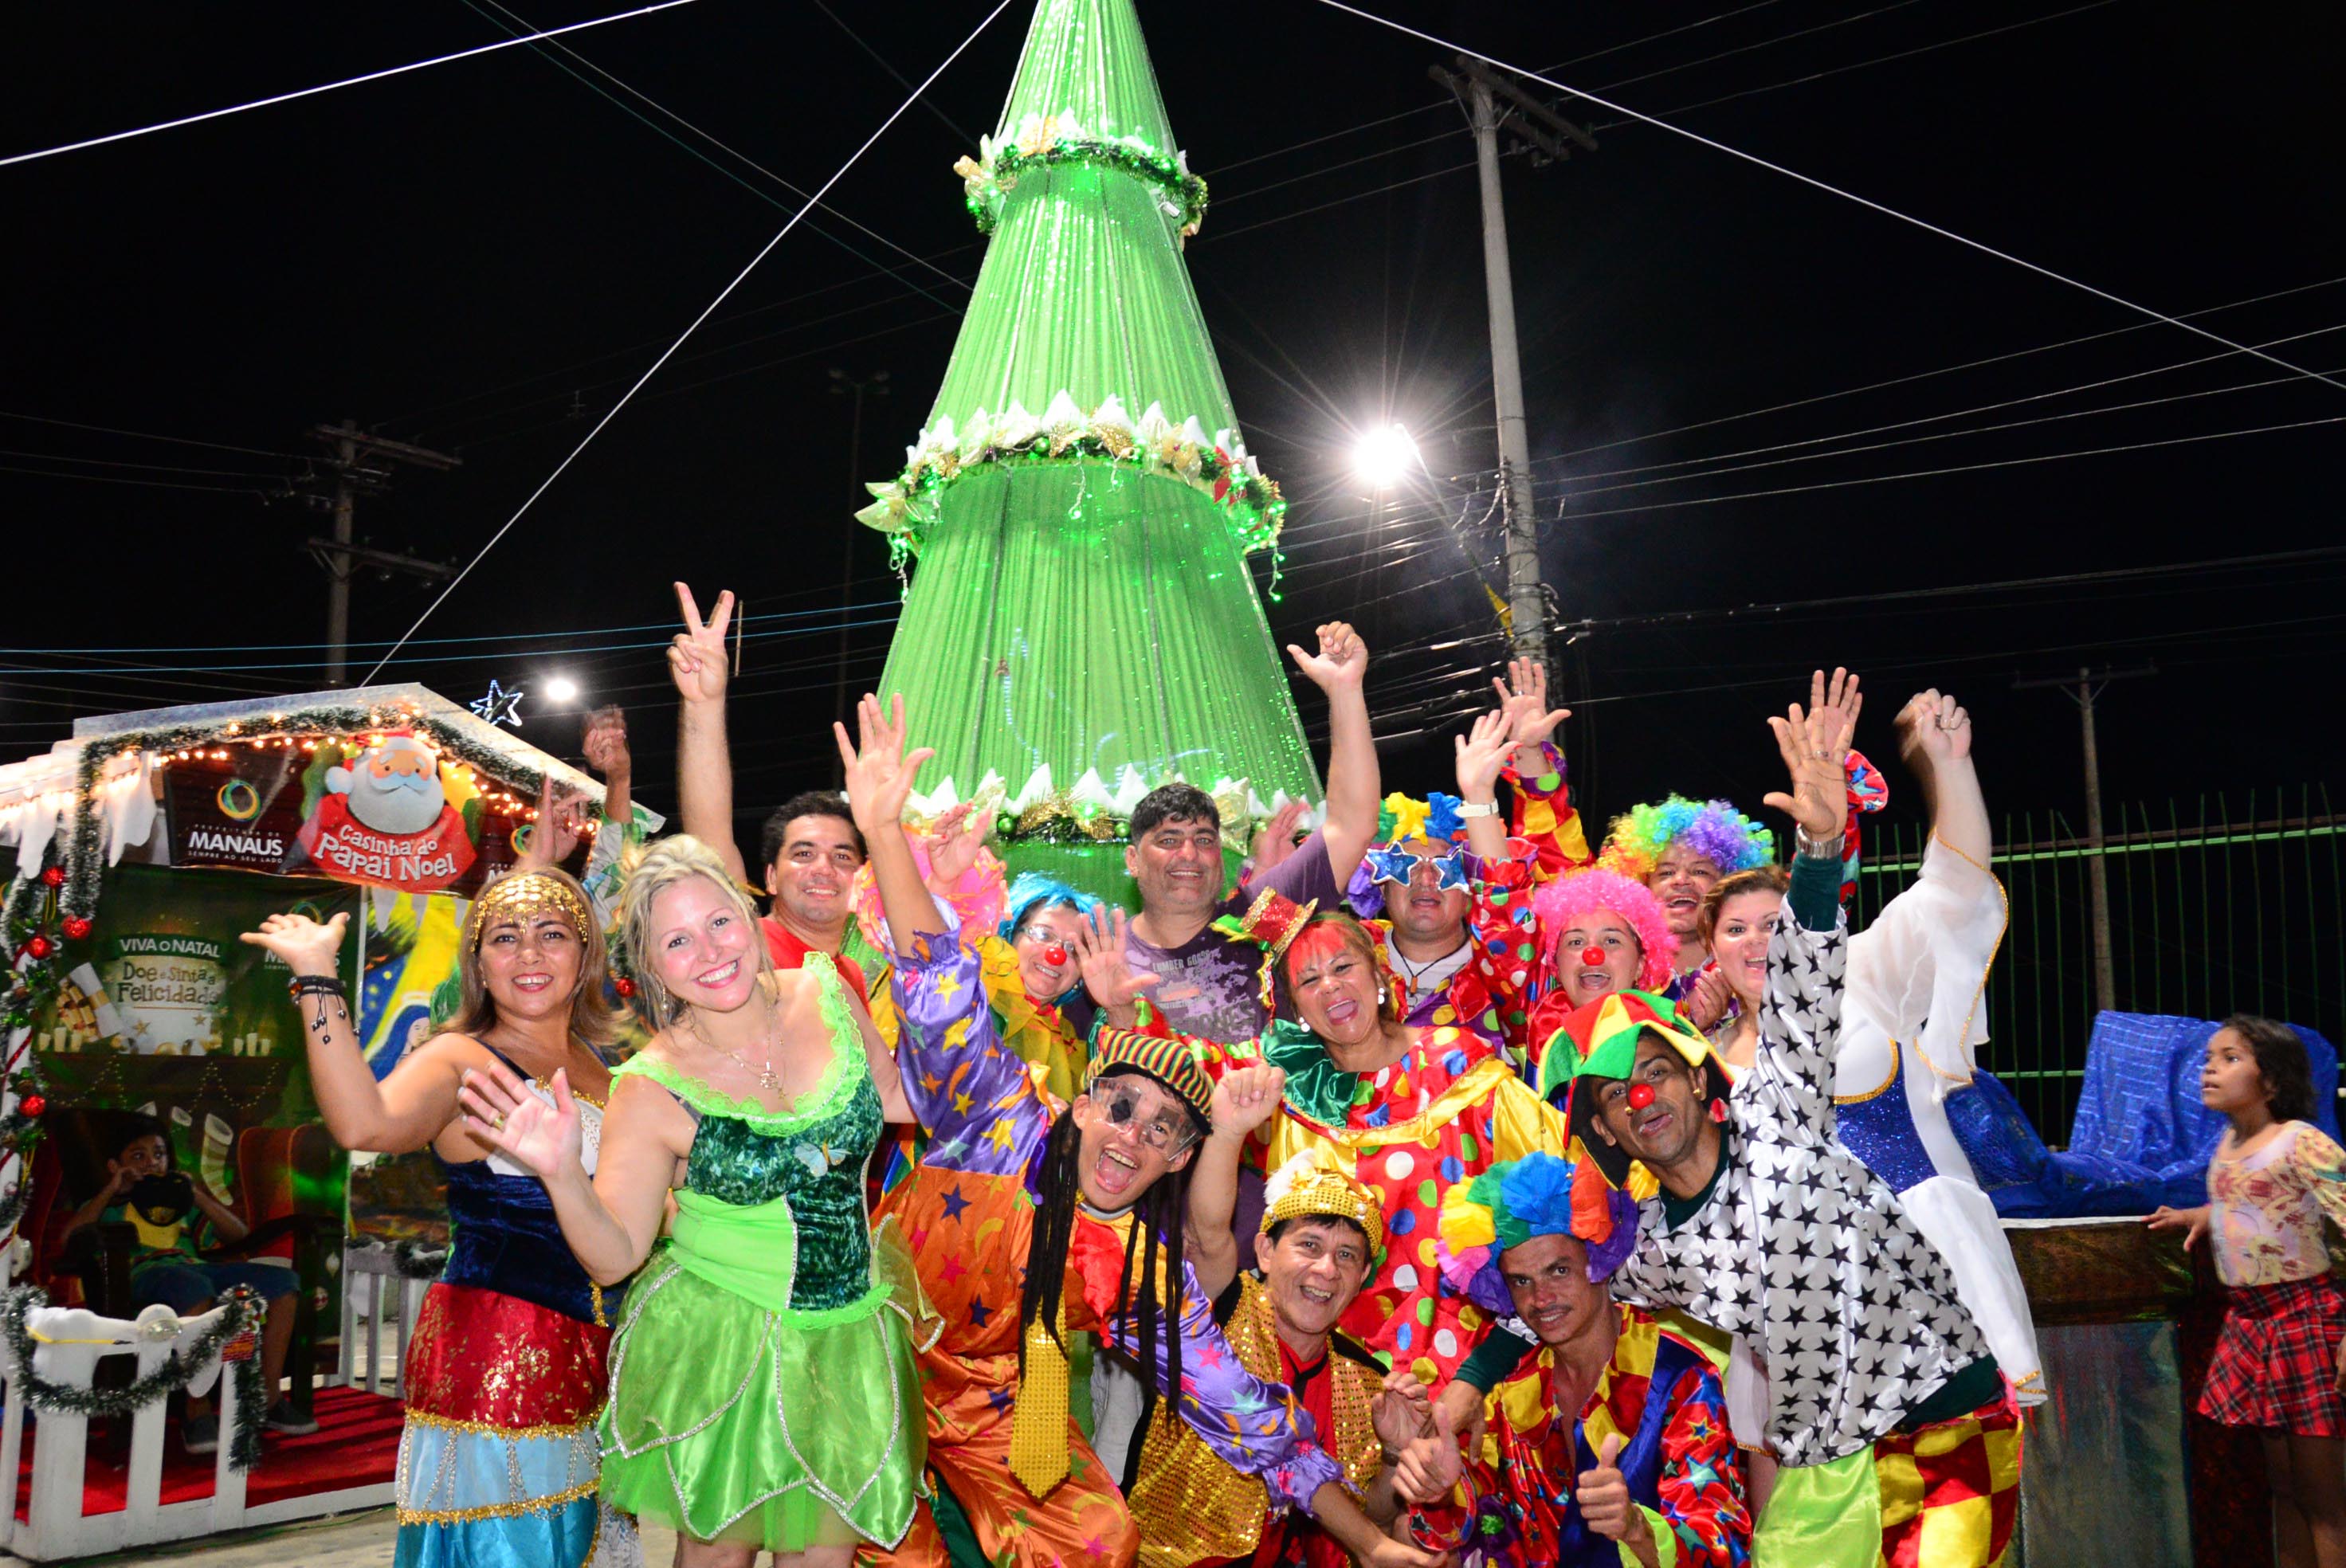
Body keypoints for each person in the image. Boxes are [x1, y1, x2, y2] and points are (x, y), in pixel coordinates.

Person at [838, 694, 1431, 1568]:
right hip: (864, 1359)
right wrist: (886, 833)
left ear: (1181, 1158)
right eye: (1119, 1109)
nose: (1130, 1140)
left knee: (1097, 1541)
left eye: (1161, 1132)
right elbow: (937, 979)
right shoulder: (999, 1119)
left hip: (997, 1403)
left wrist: (1373, 1546)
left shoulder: (1137, 1267)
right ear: (1079, 1103)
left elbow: (1247, 1419)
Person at [1554, 672, 2022, 1567]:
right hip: (1816, 1457)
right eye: (1618, 1095)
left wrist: (1818, 838)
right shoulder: (1646, 1246)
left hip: (1938, 1423)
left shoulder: (1782, 1098)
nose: (1642, 1097)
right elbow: (1546, 1293)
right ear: (1605, 1133)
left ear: (1701, 1084)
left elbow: (1810, 967)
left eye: (1657, 1073)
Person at [460, 835, 930, 1566]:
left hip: (847, 1337)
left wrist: (951, 987)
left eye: (718, 921)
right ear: (650, 968)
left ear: (747, 912)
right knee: (718, 1555)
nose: (711, 951)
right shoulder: (650, 1086)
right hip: (725, 1347)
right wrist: (559, 1173)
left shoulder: (828, 989)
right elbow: (615, 1255)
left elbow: (905, 1096)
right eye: (677, 941)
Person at [241, 872, 638, 1568]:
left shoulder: (605, 1070)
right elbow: (364, 1121)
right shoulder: (460, 1058)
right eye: (505, 939)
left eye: (552, 936)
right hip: (499, 1355)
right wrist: (317, 981)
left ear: (586, 956)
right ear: (479, 963)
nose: (530, 956)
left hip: (600, 1357)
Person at [1092, 890, 1570, 1386]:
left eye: (1343, 968)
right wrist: (1125, 1010)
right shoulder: (1287, 1085)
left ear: (1378, 978)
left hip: (1466, 1364)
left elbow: (1552, 1199)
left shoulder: (1459, 1065)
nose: (1331, 988)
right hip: (1326, 1370)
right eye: (1309, 980)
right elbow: (1181, 1072)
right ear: (1295, 1007)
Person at [1394, 1151, 1751, 1568]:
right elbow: (1474, 1528)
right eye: (1521, 1281)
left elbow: (1720, 1544)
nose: (1540, 1298)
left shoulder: (1679, 1378)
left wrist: (1637, 1528)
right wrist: (1440, 1494)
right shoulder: (1511, 1389)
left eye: (1558, 1271)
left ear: (1597, 1259)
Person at [1127, 1139, 1422, 1568]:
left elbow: (1367, 1516)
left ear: (1360, 1279)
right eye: (1309, 1246)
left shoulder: (1367, 1380)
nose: (1327, 1269)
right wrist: (1230, 1130)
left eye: (1346, 1256)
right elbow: (1208, 1233)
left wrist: (1397, 1453)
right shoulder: (1216, 1309)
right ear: (1265, 1252)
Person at [1112, 621, 1382, 1047]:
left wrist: (1345, 691)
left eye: (1204, 839)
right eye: (1168, 840)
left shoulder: (1260, 917)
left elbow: (1352, 824)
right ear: (1132, 859)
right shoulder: (1104, 958)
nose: (1189, 854)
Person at [2151, 1017, 2346, 1568]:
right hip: (2253, 1324)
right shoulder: (2231, 1143)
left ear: (2273, 1080)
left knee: (2323, 1497)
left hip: (2304, 1320)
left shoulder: (2301, 1142)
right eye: (2210, 1056)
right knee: (2282, 1489)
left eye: (2231, 1058)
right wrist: (2203, 1214)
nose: (2210, 1067)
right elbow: (2260, 1199)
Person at [668, 581, 875, 1004]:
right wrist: (704, 705)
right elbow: (709, 834)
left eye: (842, 856)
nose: (823, 867)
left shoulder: (851, 973)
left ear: (861, 880)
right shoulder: (746, 947)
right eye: (802, 854)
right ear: (771, 878)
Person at [58, 1117, 311, 1451]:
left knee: (284, 1282)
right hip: (146, 1277)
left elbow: (239, 1237)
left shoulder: (179, 1202)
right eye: (138, 1156)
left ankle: (268, 1398)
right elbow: (67, 1239)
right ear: (115, 1165)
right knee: (192, 1286)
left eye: (159, 1154)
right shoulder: (109, 1204)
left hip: (197, 1270)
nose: (152, 1162)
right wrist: (111, 1189)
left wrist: (195, 1195)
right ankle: (197, 1410)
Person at [1594, 797, 1773, 998]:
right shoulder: (1617, 971)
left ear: (1728, 886)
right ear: (1641, 888)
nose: (1681, 880)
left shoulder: (1757, 964)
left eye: (1700, 872)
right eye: (1666, 873)